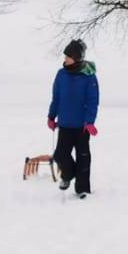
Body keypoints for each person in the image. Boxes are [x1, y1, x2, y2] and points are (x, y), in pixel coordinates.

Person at [47, 39, 99, 199]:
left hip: (82, 127)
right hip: (65, 124)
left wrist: (89, 121)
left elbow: (93, 100)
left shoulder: (88, 76)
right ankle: (68, 175)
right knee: (59, 155)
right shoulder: (61, 74)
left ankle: (82, 188)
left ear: (76, 57)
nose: (65, 59)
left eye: (68, 56)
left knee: (83, 157)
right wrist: (51, 116)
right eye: (65, 56)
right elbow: (56, 97)